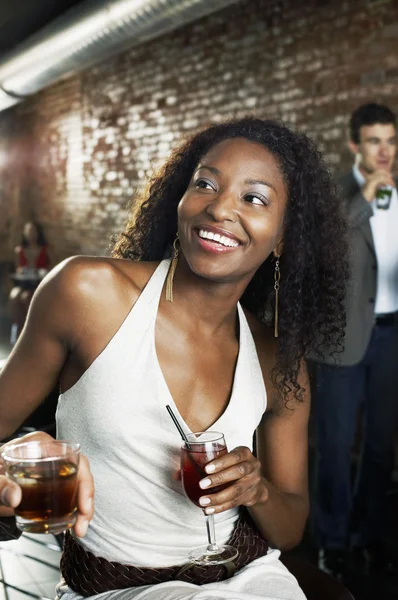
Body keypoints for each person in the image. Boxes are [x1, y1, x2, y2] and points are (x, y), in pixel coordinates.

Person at [0, 117, 348, 600]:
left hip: (249, 577)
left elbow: (289, 529)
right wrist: (22, 457)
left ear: (284, 238)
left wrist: (258, 490)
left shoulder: (277, 363)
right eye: (205, 183)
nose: (220, 207)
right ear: (180, 200)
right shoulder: (87, 294)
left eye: (254, 198)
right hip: (116, 588)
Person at [311, 103, 398, 580]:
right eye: (373, 141)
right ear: (355, 146)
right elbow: (326, 256)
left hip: (391, 337)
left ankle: (372, 536)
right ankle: (334, 542)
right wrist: (364, 198)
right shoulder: (336, 196)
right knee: (336, 445)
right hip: (342, 341)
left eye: (390, 140)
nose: (383, 151)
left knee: (382, 447)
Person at [8, 221, 51, 343]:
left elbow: (53, 269)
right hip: (23, 283)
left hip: (38, 284)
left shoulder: (46, 250)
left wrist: (42, 271)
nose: (30, 233)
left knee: (26, 298)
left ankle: (29, 335)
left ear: (38, 233)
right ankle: (16, 332)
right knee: (14, 297)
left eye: (33, 230)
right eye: (28, 231)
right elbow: (18, 270)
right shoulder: (20, 250)